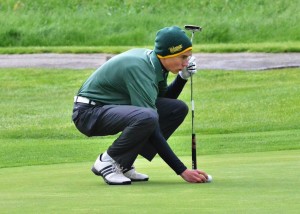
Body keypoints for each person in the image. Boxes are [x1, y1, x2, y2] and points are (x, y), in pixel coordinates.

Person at [72, 26, 209, 185]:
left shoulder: (156, 64)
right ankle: (108, 161)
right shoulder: (140, 68)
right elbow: (152, 122)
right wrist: (182, 170)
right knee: (148, 117)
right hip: (89, 113)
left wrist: (182, 78)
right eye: (182, 57)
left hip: (109, 108)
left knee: (177, 109)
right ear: (166, 55)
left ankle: (124, 163)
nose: (186, 63)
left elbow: (162, 101)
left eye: (188, 57)